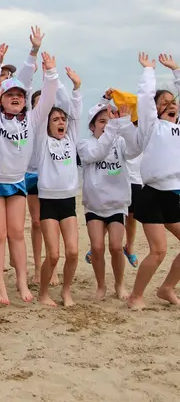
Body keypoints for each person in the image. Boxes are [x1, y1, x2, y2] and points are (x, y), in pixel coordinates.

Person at [0, 45, 58, 305]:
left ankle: (22, 282)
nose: (15, 97)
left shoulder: (31, 121)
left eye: (19, 95)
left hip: (16, 182)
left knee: (17, 233)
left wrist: (50, 72)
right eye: (9, 94)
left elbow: (46, 98)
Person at [128, 53, 180, 310]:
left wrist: (176, 71)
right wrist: (149, 71)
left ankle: (166, 288)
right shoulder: (151, 127)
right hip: (152, 195)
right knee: (158, 250)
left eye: (173, 102)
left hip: (174, 194)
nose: (171, 105)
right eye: (164, 102)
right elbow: (146, 101)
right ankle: (136, 296)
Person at [78, 101, 139, 301]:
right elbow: (97, 153)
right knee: (96, 247)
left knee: (115, 246)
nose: (106, 124)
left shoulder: (119, 142)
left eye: (108, 120)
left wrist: (125, 123)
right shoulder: (85, 144)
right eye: (101, 121)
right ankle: (101, 285)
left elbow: (134, 150)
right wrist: (113, 127)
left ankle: (119, 285)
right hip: (94, 205)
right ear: (92, 126)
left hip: (117, 204)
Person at [34, 68, 82, 307]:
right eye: (56, 120)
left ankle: (66, 291)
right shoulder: (42, 142)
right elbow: (42, 114)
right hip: (49, 202)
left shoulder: (71, 137)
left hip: (68, 201)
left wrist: (75, 88)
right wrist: (49, 77)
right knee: (53, 255)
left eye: (62, 119)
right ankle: (43, 294)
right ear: (48, 125)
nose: (61, 122)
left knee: (72, 252)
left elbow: (75, 113)